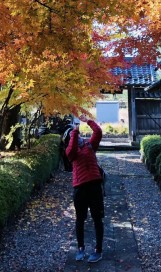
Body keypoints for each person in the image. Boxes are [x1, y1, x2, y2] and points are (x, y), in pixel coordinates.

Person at [66, 113, 104, 264]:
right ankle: (80, 248)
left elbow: (98, 132)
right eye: (73, 136)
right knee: (80, 219)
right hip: (80, 189)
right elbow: (71, 150)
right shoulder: (72, 152)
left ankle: (98, 250)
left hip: (95, 187)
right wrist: (74, 131)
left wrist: (87, 121)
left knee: (97, 219)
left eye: (77, 136)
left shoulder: (90, 145)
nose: (78, 138)